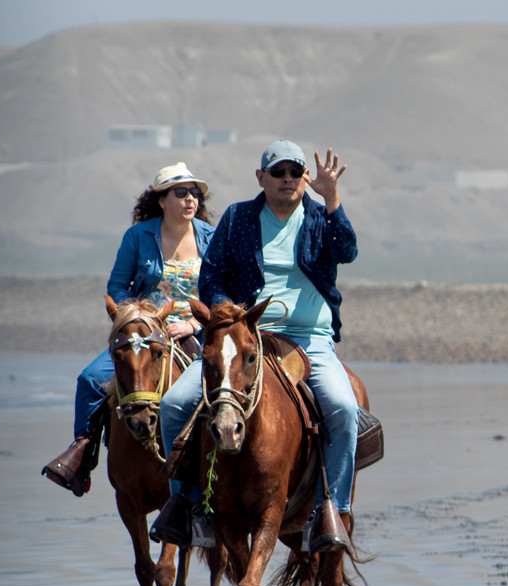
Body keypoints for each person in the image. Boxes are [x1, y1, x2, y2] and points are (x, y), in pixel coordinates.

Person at [149, 139, 360, 548]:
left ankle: (330, 510)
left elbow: (348, 250)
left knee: (344, 408)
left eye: (295, 173)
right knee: (174, 404)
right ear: (260, 177)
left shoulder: (319, 218)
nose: (287, 179)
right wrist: (229, 314)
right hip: (246, 335)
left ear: (304, 180)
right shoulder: (238, 218)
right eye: (277, 172)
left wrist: (332, 197)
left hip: (308, 338)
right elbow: (210, 278)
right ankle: (188, 507)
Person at [41, 162, 216, 496]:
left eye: (195, 193)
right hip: (144, 332)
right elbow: (117, 287)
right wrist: (140, 317)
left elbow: (220, 289)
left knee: (216, 390)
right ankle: (83, 454)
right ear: (162, 200)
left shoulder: (211, 238)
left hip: (195, 332)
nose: (190, 199)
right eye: (181, 193)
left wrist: (194, 323)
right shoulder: (138, 237)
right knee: (91, 379)